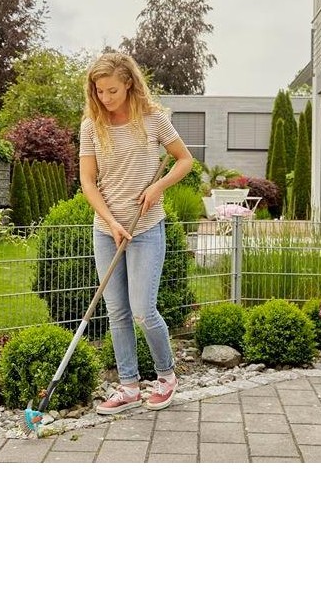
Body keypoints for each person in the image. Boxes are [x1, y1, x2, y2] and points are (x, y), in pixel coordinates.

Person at [79, 51, 193, 415]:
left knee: (143, 310)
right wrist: (110, 221)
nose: (105, 98)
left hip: (145, 228)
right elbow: (88, 181)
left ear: (128, 83)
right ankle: (128, 386)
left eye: (112, 90)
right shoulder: (91, 126)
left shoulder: (153, 120)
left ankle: (166, 376)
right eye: (99, 91)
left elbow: (185, 159)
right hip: (106, 230)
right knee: (117, 312)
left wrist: (158, 187)